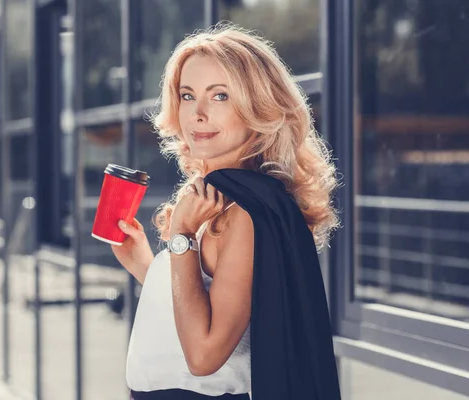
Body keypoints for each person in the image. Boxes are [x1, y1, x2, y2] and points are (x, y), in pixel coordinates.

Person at [111, 23, 341, 400]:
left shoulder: (243, 213)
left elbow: (203, 357)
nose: (198, 113)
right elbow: (200, 306)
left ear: (257, 106)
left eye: (220, 96)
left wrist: (183, 236)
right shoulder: (224, 198)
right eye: (188, 95)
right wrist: (145, 267)